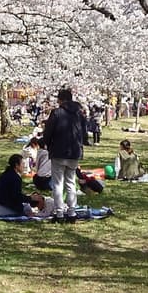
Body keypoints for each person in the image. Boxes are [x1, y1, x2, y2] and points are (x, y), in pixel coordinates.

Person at [42, 87, 85, 222]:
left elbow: (48, 132)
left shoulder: (56, 113)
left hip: (59, 152)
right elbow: (84, 132)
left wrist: (46, 144)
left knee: (58, 183)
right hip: (74, 153)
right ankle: (72, 212)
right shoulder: (79, 113)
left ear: (60, 100)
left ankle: (59, 213)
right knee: (71, 182)